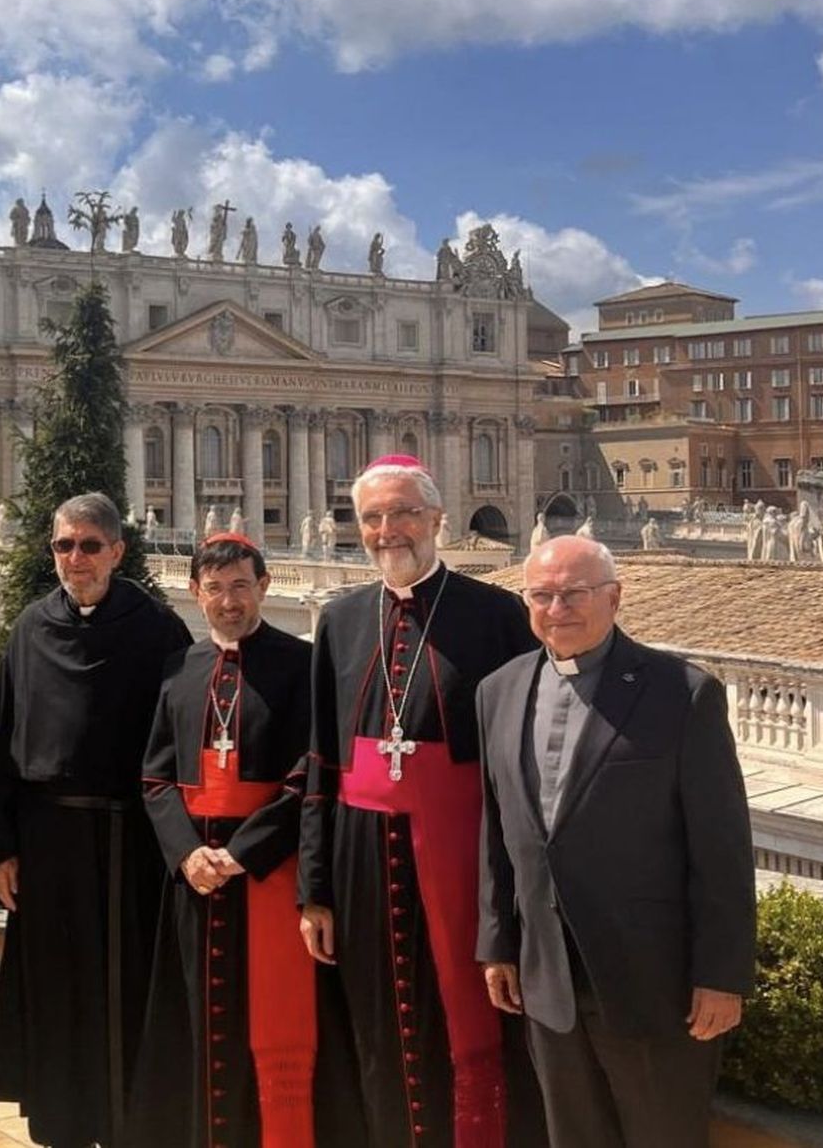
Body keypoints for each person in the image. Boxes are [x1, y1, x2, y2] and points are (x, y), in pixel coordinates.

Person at [477, 536, 755, 1147]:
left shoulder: (681, 692)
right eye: (542, 595)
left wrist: (722, 974)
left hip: (655, 982)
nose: (557, 609)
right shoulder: (497, 691)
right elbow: (498, 829)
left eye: (574, 594)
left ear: (614, 597)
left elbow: (723, 848)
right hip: (547, 976)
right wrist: (498, 942)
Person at [298, 456, 543, 1147]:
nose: (387, 530)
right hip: (360, 858)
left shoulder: (497, 616)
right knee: (376, 1016)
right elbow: (320, 757)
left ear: (437, 518)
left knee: (463, 1016)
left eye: (402, 512)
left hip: (463, 854)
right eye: (372, 517)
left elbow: (519, 764)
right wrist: (313, 890)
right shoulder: (341, 619)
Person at [0, 492, 193, 1148]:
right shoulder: (30, 628)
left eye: (90, 544)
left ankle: (128, 1126)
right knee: (58, 991)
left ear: (118, 551)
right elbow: (2, 739)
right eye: (65, 545)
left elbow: (178, 746)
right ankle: (62, 1125)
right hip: (46, 843)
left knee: (123, 991)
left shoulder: (158, 629)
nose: (76, 558)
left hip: (130, 845)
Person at [131, 534, 315, 1148]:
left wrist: (239, 855)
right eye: (215, 589)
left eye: (241, 586)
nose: (229, 601)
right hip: (193, 881)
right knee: (195, 1021)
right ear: (195, 594)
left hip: (265, 875)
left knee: (260, 1022)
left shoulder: (300, 665)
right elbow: (156, 777)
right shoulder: (179, 669)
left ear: (264, 587)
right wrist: (187, 854)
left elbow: (307, 777)